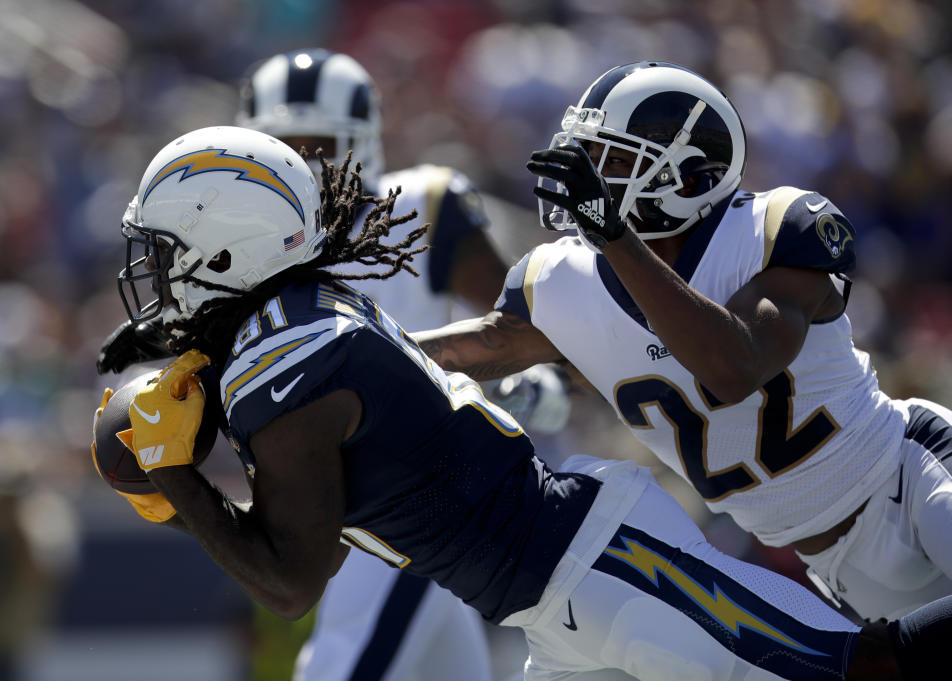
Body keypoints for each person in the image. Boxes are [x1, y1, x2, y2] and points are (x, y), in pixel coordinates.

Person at [95, 124, 951, 681]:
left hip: (603, 564)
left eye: (167, 249)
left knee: (865, 669)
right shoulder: (288, 325)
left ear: (226, 245)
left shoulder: (287, 359)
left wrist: (175, 478)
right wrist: (182, 466)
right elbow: (287, 529)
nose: (155, 271)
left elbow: (288, 579)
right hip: (547, 601)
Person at [411, 61, 952, 623]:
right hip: (826, 560)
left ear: (691, 177)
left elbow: (734, 367)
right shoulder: (558, 280)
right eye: (587, 159)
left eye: (614, 162)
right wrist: (341, 337)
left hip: (911, 484)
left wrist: (615, 236)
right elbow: (459, 352)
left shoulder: (772, 230)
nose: (589, 181)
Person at [236, 48, 567, 681]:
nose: (305, 164)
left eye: (320, 144)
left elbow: (517, 327)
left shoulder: (418, 202)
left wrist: (529, 381)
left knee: (337, 667)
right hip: (335, 514)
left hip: (410, 501)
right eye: (286, 146)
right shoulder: (242, 249)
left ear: (361, 144)